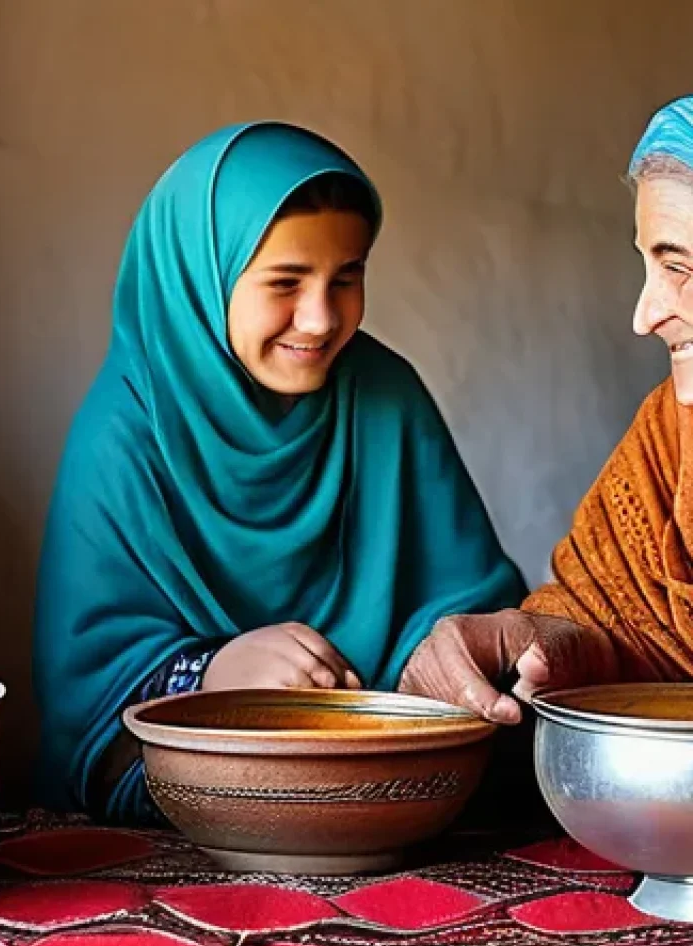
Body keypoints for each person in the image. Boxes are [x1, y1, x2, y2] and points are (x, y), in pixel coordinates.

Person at [32, 121, 525, 822]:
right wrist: (211, 675)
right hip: (196, 788)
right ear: (199, 279)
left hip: (393, 771)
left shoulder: (384, 396)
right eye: (286, 282)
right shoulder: (126, 430)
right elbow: (87, 692)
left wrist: (441, 664)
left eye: (347, 277)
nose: (322, 318)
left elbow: (467, 605)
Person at [402, 96, 693, 722]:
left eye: (682, 267)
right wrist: (545, 643)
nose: (646, 317)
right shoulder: (670, 436)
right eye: (649, 266)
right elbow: (618, 625)